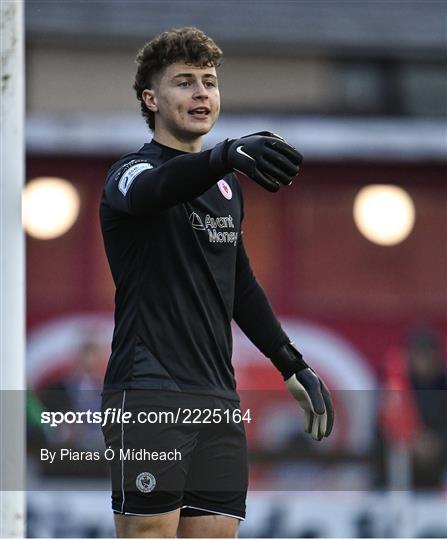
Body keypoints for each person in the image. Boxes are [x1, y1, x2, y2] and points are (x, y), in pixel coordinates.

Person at [100, 27, 334, 538]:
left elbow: (239, 282)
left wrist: (291, 363)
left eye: (209, 81)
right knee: (149, 532)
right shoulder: (130, 173)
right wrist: (223, 153)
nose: (201, 93)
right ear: (151, 99)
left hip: (217, 396)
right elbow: (153, 190)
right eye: (184, 83)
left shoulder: (226, 187)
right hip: (149, 390)